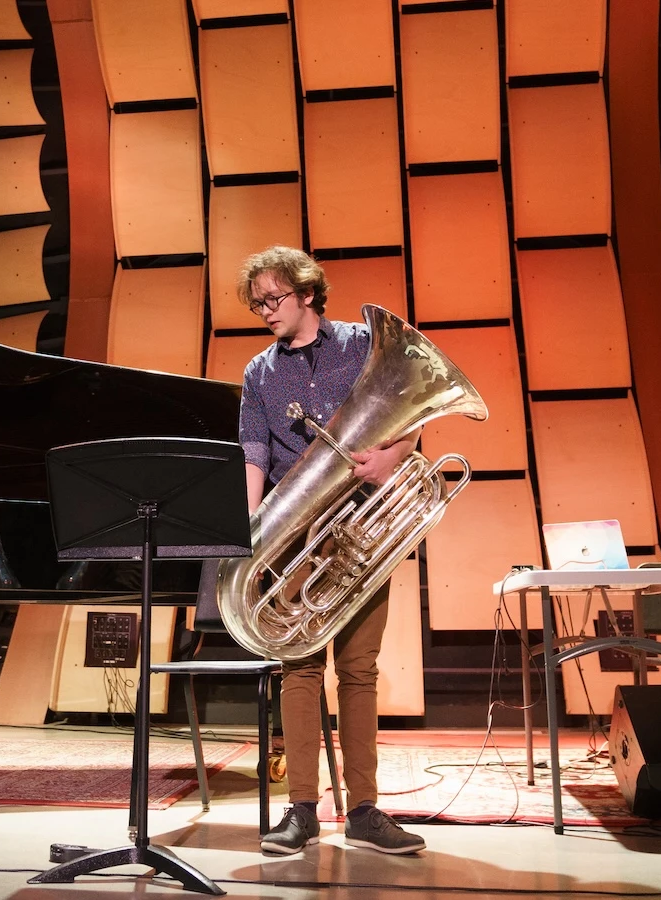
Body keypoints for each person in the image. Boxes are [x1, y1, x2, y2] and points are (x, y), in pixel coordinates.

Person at [236, 246, 426, 856]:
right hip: (298, 531)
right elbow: (254, 452)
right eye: (257, 302)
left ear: (308, 293)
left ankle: (366, 811)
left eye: (274, 298)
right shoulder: (258, 372)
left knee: (358, 670)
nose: (265, 311)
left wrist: (390, 460)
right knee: (298, 666)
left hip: (366, 521)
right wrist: (252, 530)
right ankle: (301, 811)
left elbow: (410, 416)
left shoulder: (359, 344)